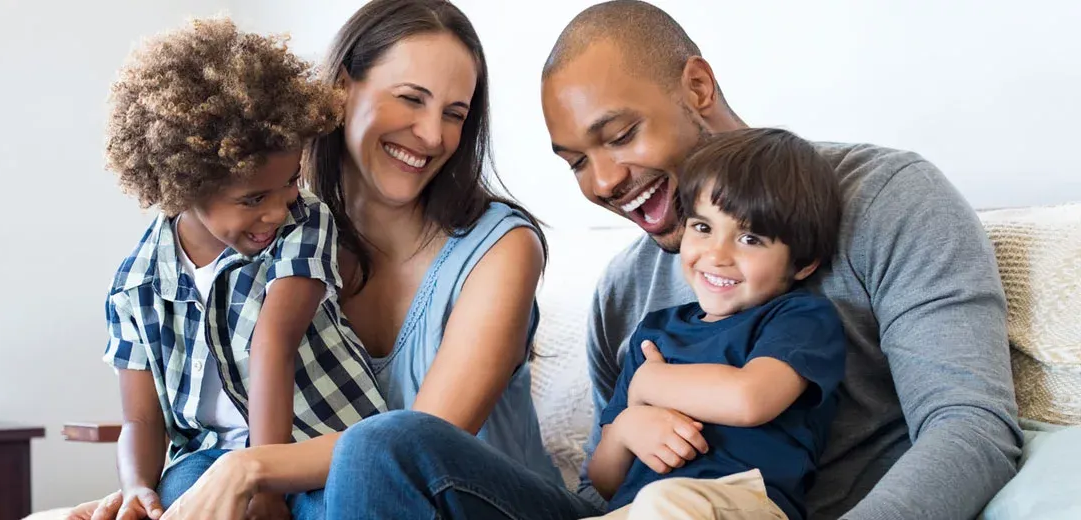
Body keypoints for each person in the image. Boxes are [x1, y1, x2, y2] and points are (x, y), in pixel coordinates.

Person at [326, 1, 1025, 519]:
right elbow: (605, 483)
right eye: (576, 162)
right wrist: (629, 427)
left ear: (696, 88)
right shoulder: (624, 291)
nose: (603, 182)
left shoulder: (888, 199)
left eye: (619, 135)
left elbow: (971, 429)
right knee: (383, 447)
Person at [154, 1, 556, 518]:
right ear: (342, 88)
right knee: (190, 477)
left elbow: (418, 446)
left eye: (454, 114)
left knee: (375, 447)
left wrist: (249, 466)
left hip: (489, 506)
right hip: (343, 501)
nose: (433, 135)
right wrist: (149, 487)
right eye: (411, 99)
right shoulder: (278, 231)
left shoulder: (502, 247)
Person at [76, 16, 389, 520]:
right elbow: (140, 421)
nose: (279, 209)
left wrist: (265, 487)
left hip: (316, 443)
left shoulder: (304, 223)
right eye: (254, 198)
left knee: (339, 501)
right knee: (178, 496)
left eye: (290, 181)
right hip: (210, 457)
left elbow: (273, 345)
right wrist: (135, 488)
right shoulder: (136, 286)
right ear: (186, 186)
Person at [582, 127, 849, 520]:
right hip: (641, 508)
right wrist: (625, 429)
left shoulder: (799, 318)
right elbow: (604, 482)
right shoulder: (654, 334)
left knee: (663, 503)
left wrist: (649, 385)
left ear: (803, 263)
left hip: (741, 501)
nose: (717, 255)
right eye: (703, 227)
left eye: (751, 239)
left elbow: (750, 400)